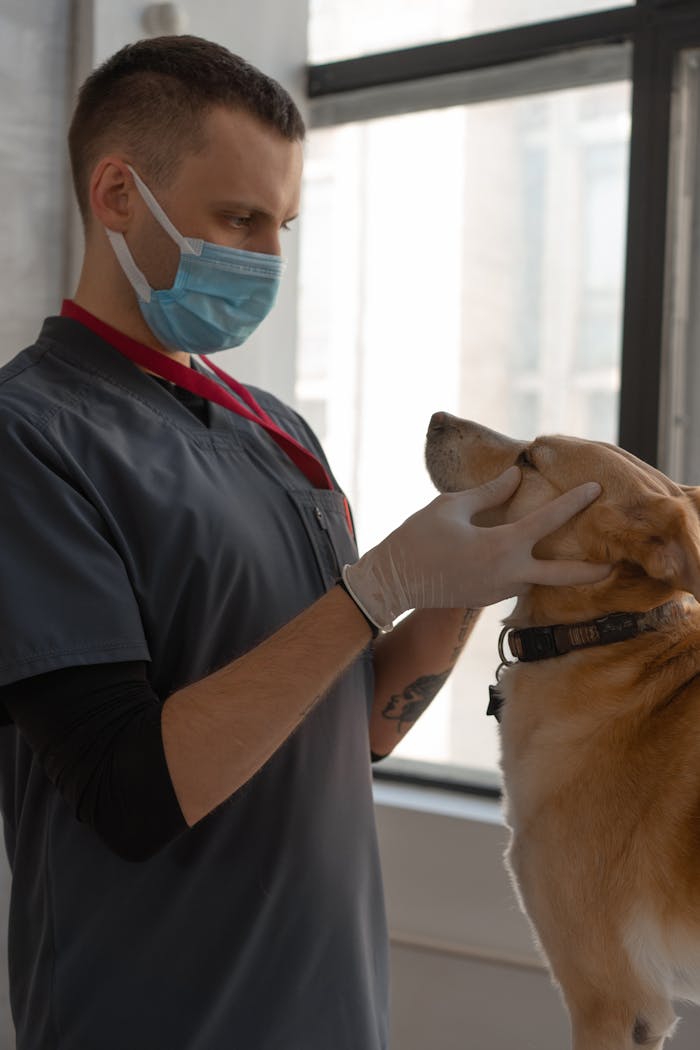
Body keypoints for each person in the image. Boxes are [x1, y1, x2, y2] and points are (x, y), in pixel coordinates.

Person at [0, 35, 609, 1050]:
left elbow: (354, 727)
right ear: (115, 194)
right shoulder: (32, 437)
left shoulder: (275, 430)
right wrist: (379, 587)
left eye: (283, 224)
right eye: (238, 219)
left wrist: (465, 581)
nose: (270, 259)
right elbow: (129, 794)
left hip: (330, 1010)